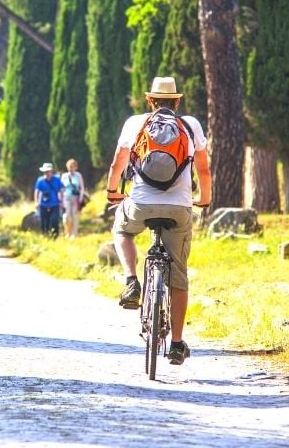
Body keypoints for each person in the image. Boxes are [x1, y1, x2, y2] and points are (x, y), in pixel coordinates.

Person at [106, 76, 211, 366]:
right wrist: (204, 198)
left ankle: (131, 281)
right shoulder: (190, 125)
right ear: (177, 101)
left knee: (121, 228)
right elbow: (203, 167)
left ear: (150, 100)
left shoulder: (135, 123)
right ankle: (176, 344)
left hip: (140, 204)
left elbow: (118, 161)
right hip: (179, 207)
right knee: (178, 273)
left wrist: (112, 190)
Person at [33, 162, 64, 239]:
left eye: (48, 171)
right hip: (43, 204)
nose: (47, 173)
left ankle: (55, 237)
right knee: (44, 222)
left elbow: (61, 190)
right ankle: (45, 236)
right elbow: (36, 191)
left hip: (54, 204)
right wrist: (36, 202)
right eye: (45, 172)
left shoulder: (56, 180)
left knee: (54, 221)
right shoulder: (40, 180)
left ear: (51, 171)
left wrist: (61, 201)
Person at [60, 159, 85, 239]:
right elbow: (61, 188)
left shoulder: (78, 175)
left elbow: (81, 187)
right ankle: (67, 232)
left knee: (75, 216)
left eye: (72, 166)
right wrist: (60, 198)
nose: (71, 168)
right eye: (69, 166)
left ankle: (74, 234)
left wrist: (81, 197)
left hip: (76, 198)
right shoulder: (64, 176)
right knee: (66, 217)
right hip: (66, 198)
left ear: (75, 167)